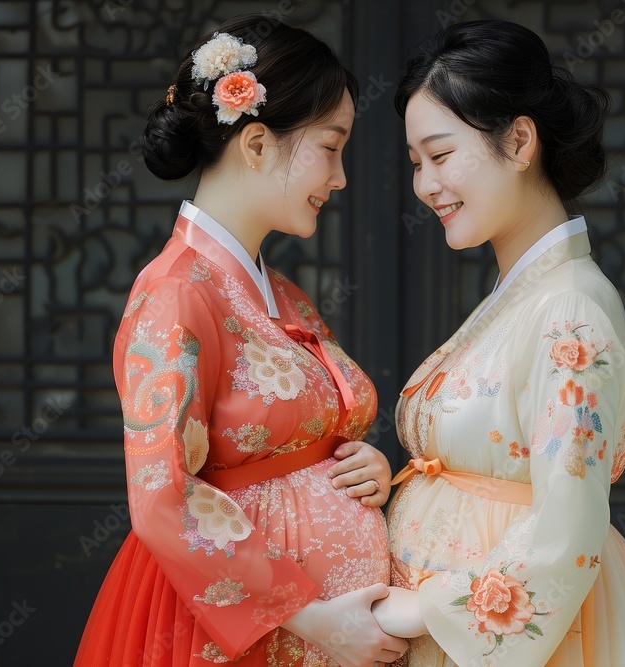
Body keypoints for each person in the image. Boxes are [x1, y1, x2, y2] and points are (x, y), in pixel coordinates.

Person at [74, 15, 408, 667]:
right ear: (256, 143)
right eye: (331, 145)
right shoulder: (175, 292)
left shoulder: (280, 291)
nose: (340, 178)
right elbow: (164, 490)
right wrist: (309, 617)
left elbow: (304, 438)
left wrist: (359, 463)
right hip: (232, 629)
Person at [370, 20, 625, 666]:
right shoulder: (520, 296)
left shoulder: (568, 305)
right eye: (415, 163)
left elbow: (567, 523)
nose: (425, 185)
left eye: (440, 155)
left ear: (519, 141)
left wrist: (425, 608)